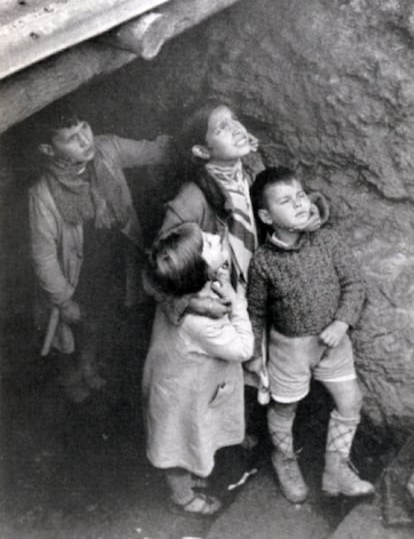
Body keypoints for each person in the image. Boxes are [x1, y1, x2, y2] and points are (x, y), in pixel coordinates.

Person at [153, 103, 325, 447]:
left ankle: (249, 434)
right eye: (221, 128)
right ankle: (222, 447)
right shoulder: (192, 199)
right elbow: (158, 271)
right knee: (220, 376)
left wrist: (312, 212)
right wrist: (196, 304)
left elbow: (281, 200)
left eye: (234, 120)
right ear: (202, 151)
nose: (235, 128)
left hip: (251, 290)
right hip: (220, 302)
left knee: (254, 361)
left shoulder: (251, 170)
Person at [247, 166, 375, 503]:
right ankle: (284, 457)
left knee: (351, 400)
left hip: (333, 341)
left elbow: (354, 283)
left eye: (301, 195)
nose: (300, 204)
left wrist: (342, 323)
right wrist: (255, 356)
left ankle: (336, 469)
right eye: (286, 201)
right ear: (265, 215)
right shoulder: (263, 262)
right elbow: (256, 310)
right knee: (284, 408)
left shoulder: (327, 240)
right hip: (290, 348)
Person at [29, 107, 172, 403]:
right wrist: (63, 299)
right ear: (48, 149)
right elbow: (43, 255)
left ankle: (88, 363)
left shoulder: (106, 149)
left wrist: (189, 141)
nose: (85, 141)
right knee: (67, 328)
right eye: (70, 138)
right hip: (74, 272)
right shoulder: (42, 194)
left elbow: (152, 151)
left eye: (85, 128)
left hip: (111, 259)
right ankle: (69, 374)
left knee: (101, 318)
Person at [142, 222, 254, 516]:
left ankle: (191, 474)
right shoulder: (202, 322)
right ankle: (183, 497)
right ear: (201, 270)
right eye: (209, 243)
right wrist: (238, 303)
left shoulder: (175, 291)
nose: (217, 238)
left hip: (179, 384)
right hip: (179, 396)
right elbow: (243, 349)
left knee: (186, 437)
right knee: (176, 446)